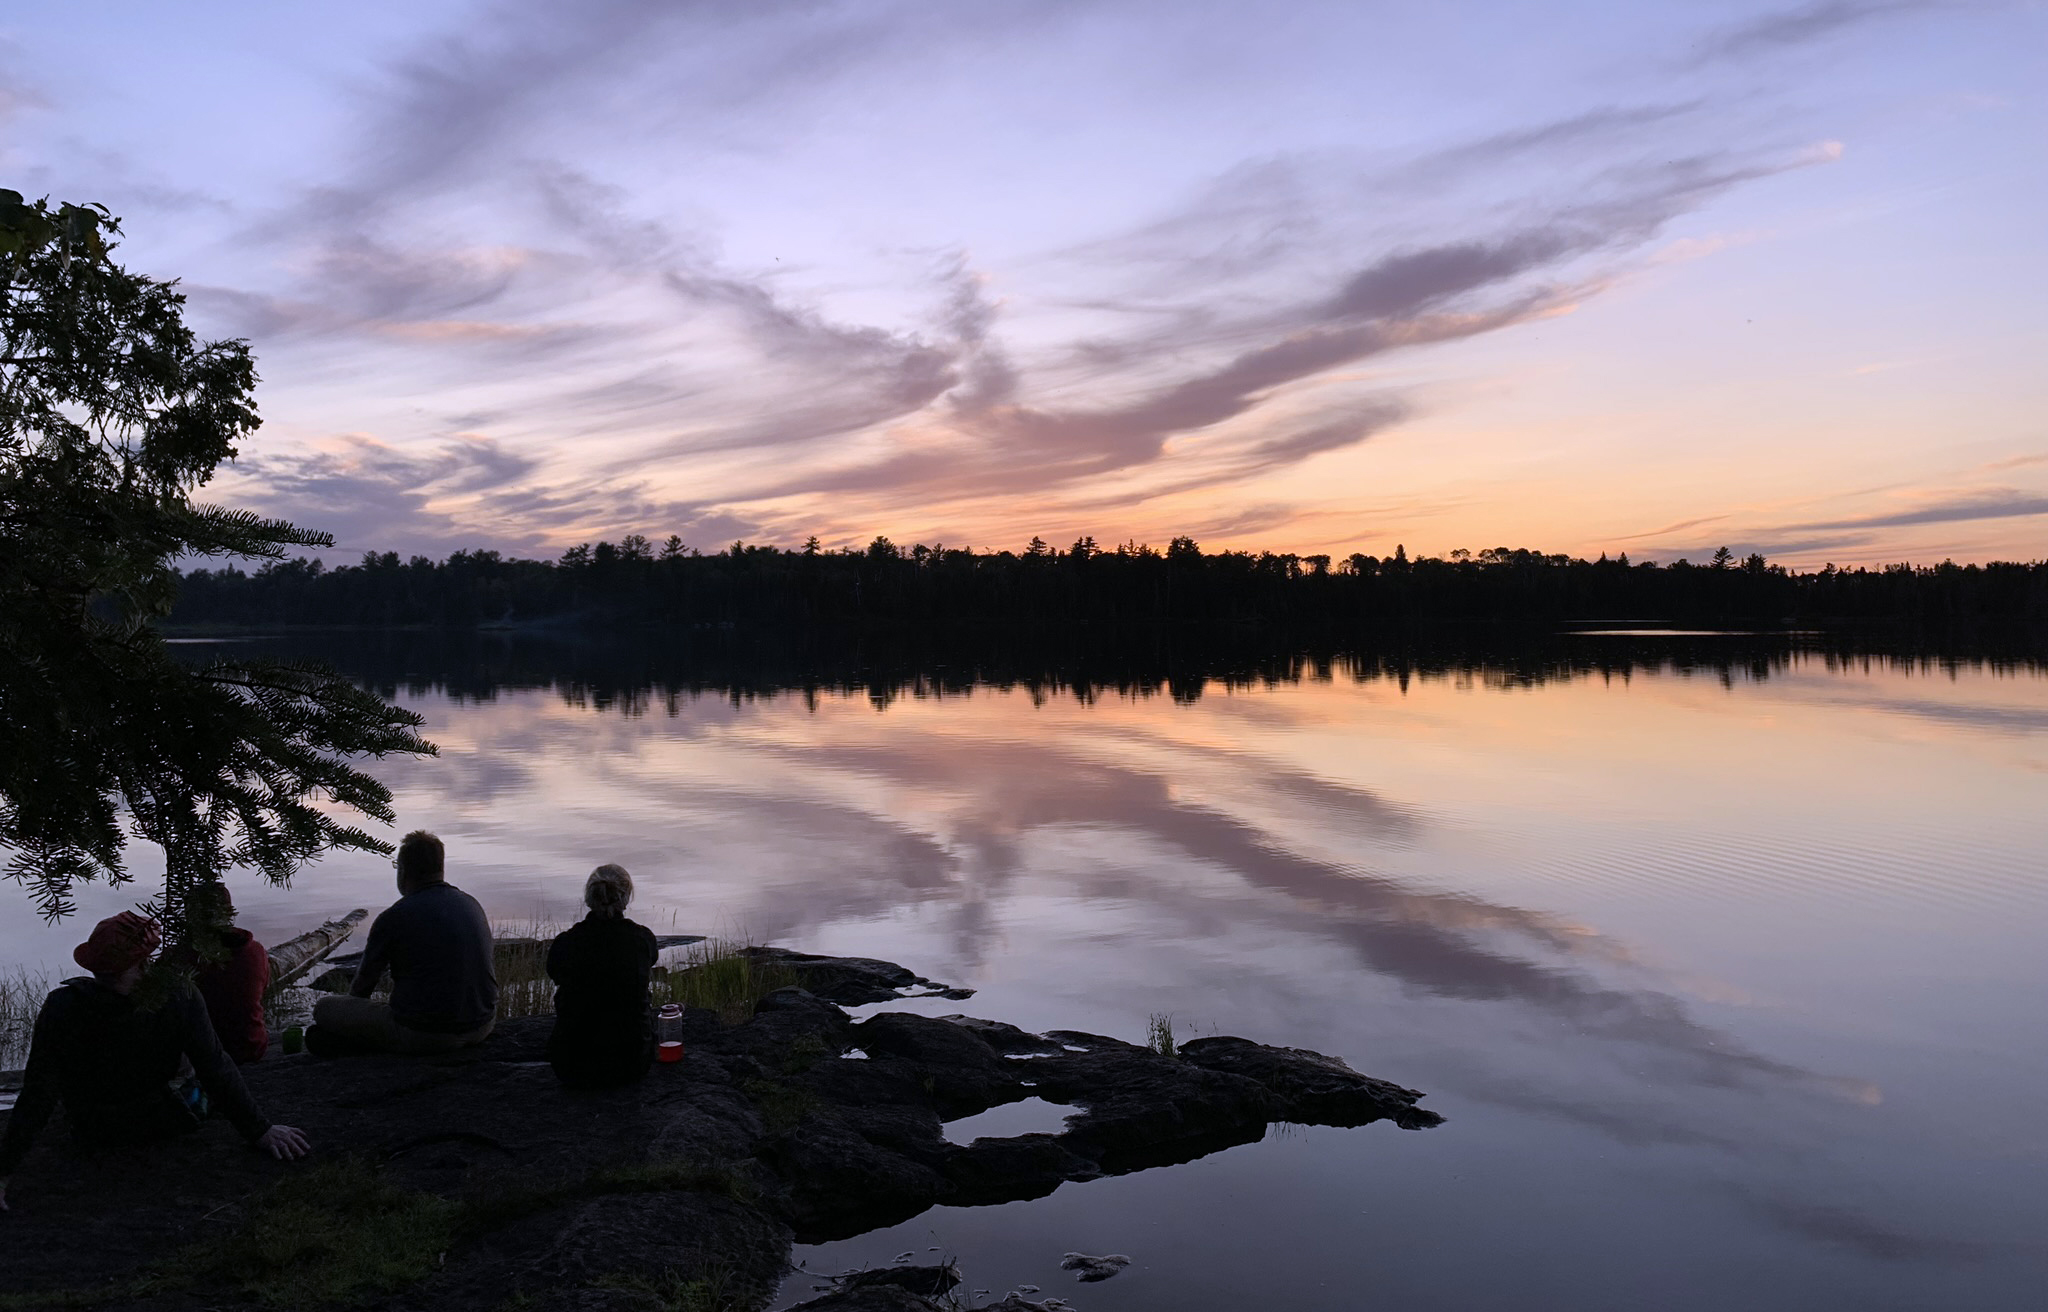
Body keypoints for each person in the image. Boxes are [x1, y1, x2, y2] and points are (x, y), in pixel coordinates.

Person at [0, 912, 309, 1212]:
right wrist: (259, 1130)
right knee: (197, 1077)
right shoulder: (178, 995)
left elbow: (38, 1092)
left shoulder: (63, 1004)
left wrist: (6, 1166)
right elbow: (214, 1065)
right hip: (163, 1119)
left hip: (92, 1128)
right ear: (145, 961)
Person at [308, 830, 498, 1055]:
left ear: (404, 871)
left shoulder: (393, 917)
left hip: (425, 1035)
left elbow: (361, 989)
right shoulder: (471, 904)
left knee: (323, 1008)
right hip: (483, 1025)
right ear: (440, 868)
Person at [545, 864, 660, 1088]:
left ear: (589, 898)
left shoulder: (566, 943)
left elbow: (555, 973)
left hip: (571, 1065)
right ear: (625, 899)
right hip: (631, 1064)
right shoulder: (642, 940)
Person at [168, 881, 272, 1065]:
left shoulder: (177, 957)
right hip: (250, 1047)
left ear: (190, 915)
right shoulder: (254, 950)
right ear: (229, 912)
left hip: (201, 1056)